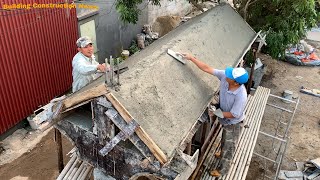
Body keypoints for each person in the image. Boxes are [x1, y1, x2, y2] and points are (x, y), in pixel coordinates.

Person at [182, 53, 249, 178]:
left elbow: (234, 114)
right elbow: (207, 68)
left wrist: (218, 113)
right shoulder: (225, 77)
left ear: (235, 82)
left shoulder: (241, 95)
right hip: (225, 120)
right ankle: (222, 152)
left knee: (230, 146)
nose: (226, 74)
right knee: (224, 139)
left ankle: (222, 170)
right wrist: (191, 58)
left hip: (234, 123)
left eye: (230, 75)